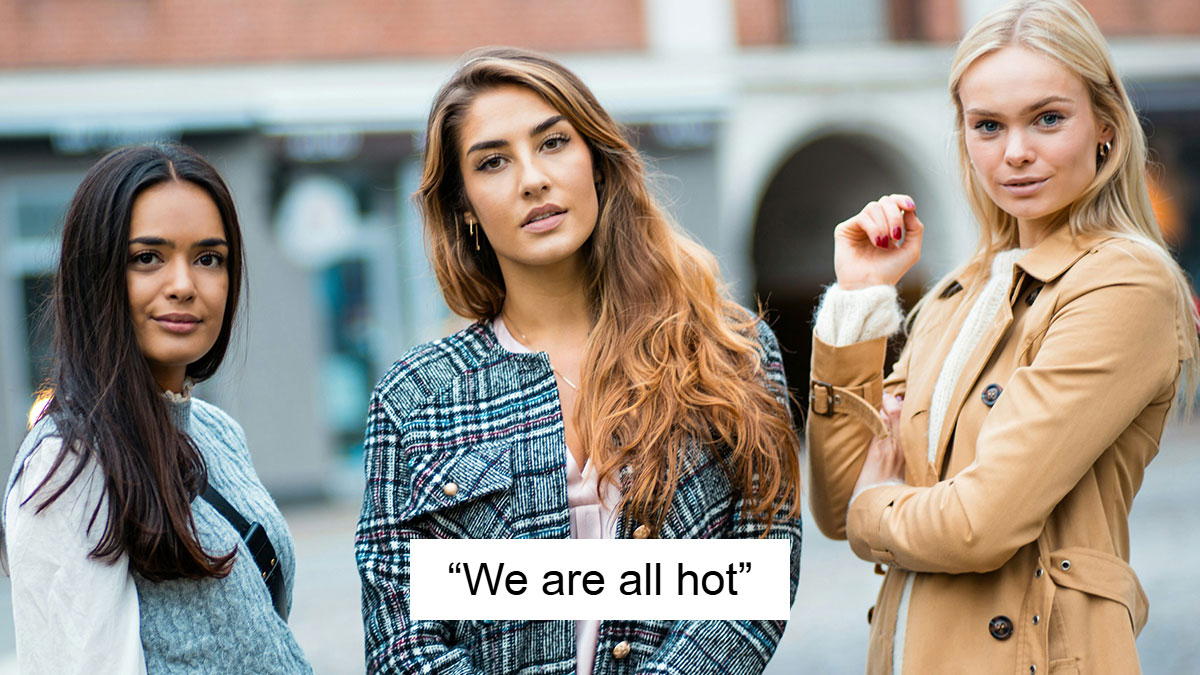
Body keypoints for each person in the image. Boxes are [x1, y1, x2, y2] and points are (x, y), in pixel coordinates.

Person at [355, 47, 802, 674]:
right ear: (465, 206)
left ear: (596, 161)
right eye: (492, 162)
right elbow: (403, 638)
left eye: (553, 143)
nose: (532, 178)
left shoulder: (731, 352)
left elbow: (762, 569)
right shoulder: (416, 396)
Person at [805, 0, 1200, 673]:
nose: (1016, 152)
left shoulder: (1123, 283)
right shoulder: (959, 294)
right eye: (988, 125)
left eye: (1048, 118)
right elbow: (842, 502)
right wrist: (862, 298)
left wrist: (882, 506)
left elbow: (977, 524)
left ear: (1104, 126)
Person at [3, 143, 312, 674]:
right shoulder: (66, 467)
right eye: (148, 258)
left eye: (208, 258)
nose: (184, 286)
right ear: (96, 276)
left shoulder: (218, 431)